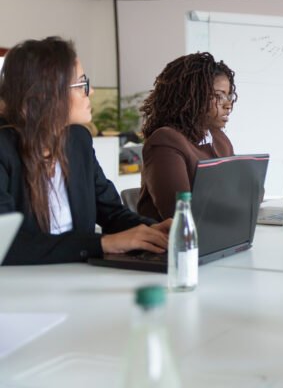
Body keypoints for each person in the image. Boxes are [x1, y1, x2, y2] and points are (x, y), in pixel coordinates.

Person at [0, 37, 170, 265]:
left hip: (79, 278)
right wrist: (102, 244)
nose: (90, 92)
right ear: (45, 94)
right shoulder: (4, 149)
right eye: (81, 84)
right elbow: (7, 243)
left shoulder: (77, 141)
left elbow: (111, 213)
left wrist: (153, 231)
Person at [137, 52, 236, 220]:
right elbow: (180, 213)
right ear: (190, 97)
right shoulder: (166, 141)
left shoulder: (220, 139)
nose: (228, 104)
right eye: (218, 96)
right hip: (175, 242)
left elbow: (247, 192)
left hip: (216, 234)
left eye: (228, 95)